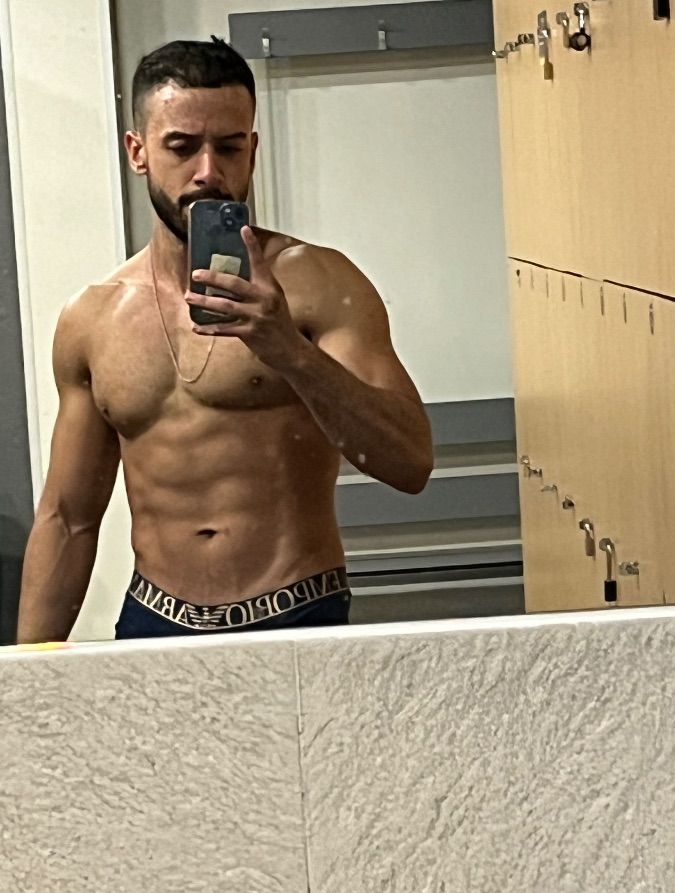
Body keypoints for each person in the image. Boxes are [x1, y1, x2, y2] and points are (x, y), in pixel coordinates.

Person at [17, 37, 433, 642]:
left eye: (229, 147)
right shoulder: (93, 318)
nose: (208, 172)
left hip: (297, 614)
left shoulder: (318, 284)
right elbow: (67, 520)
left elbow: (410, 463)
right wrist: (27, 678)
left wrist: (289, 351)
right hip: (154, 620)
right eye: (182, 147)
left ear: (252, 152)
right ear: (138, 152)